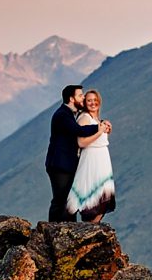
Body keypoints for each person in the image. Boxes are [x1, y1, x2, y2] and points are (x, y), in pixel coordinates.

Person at [45, 84, 110, 223]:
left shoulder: (68, 114)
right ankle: (51, 229)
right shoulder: (63, 114)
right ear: (71, 98)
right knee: (60, 199)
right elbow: (79, 131)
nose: (83, 98)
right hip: (59, 164)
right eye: (80, 96)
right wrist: (99, 128)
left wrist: (101, 124)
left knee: (67, 198)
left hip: (65, 164)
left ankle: (67, 228)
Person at [65, 88, 116, 222]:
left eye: (95, 100)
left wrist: (105, 130)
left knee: (102, 198)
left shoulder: (97, 119)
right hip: (91, 160)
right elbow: (81, 142)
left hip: (102, 160)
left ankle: (93, 228)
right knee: (92, 198)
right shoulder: (84, 118)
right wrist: (100, 132)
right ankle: (89, 228)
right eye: (89, 100)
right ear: (85, 103)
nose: (93, 103)